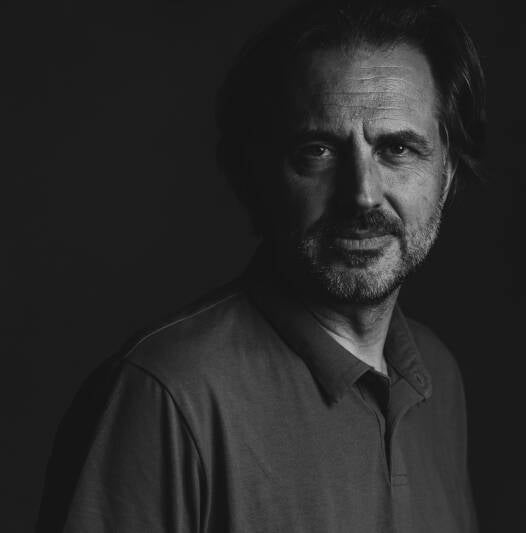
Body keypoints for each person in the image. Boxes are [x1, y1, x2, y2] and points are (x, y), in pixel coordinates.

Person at [37, 0, 486, 531]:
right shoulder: (166, 393)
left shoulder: (439, 378)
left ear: (446, 175)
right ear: (259, 174)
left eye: (398, 149)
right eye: (318, 150)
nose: (362, 194)